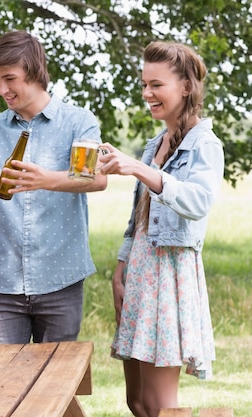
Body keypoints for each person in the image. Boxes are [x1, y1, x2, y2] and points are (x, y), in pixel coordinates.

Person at [0, 30, 107, 344]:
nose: (2, 90)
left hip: (60, 278)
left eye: (10, 78)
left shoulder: (78, 122)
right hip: (2, 283)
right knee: (0, 383)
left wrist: (44, 179)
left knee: (57, 385)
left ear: (34, 72)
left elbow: (97, 179)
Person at [103, 41, 224, 417]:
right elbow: (138, 216)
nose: (146, 94)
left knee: (158, 404)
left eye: (156, 84)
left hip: (169, 274)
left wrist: (141, 170)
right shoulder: (156, 143)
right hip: (141, 270)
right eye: (144, 84)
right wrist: (122, 266)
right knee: (136, 402)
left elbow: (198, 202)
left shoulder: (205, 144)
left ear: (186, 86)